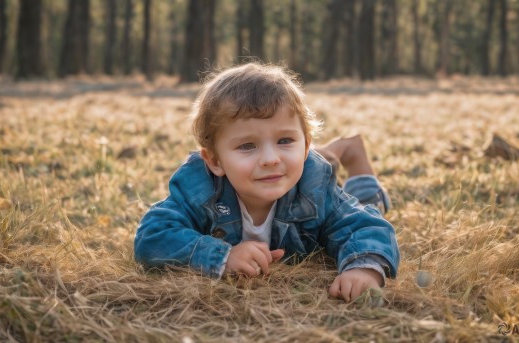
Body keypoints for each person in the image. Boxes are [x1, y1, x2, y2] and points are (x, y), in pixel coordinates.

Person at [134, 63, 399, 302]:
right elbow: (153, 235)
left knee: (370, 203)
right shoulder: (200, 188)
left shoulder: (314, 186)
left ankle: (350, 149)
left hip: (313, 173)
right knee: (311, 165)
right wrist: (222, 256)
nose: (270, 159)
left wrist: (363, 268)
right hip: (300, 168)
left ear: (306, 146)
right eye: (247, 145)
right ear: (215, 161)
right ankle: (337, 149)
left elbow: (365, 225)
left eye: (285, 140)